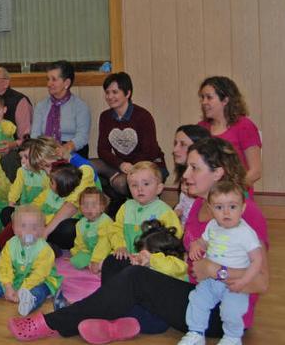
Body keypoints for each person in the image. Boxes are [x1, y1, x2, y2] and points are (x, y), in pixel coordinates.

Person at [7, 137, 269, 344]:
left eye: (194, 168)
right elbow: (179, 259)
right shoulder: (199, 207)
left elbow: (260, 281)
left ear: (218, 173)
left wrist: (215, 270)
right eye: (187, 166)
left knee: (135, 277)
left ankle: (53, 322)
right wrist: (149, 259)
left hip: (219, 313)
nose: (185, 174)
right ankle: (130, 321)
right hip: (190, 295)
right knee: (114, 262)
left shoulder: (244, 211)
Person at [180, 180, 263, 345]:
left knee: (231, 312)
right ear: (211, 209)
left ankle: (232, 337)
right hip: (210, 281)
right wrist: (196, 245)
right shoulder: (212, 225)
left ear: (243, 208)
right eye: (219, 207)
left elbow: (257, 260)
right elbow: (204, 241)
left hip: (233, 283)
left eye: (232, 207)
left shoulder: (246, 233)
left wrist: (244, 281)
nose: (226, 212)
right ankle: (196, 333)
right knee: (197, 300)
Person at [92, 72, 167, 214]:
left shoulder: (143, 116)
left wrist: (129, 167)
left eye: (115, 92)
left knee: (121, 182)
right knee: (89, 166)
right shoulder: (105, 117)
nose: (110, 96)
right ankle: (117, 201)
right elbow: (102, 150)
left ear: (127, 93)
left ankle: (129, 206)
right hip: (123, 164)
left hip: (149, 164)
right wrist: (121, 165)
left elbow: (148, 151)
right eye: (107, 92)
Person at [101, 161, 182, 280]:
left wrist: (151, 258)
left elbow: (173, 241)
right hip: (128, 256)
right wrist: (120, 246)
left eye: (146, 184)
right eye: (134, 185)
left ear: (159, 188)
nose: (140, 189)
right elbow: (116, 229)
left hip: (152, 264)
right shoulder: (126, 207)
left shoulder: (165, 211)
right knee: (111, 262)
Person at [197, 76, 262, 191]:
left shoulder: (244, 126)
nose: (204, 102)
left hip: (236, 194)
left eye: (209, 97)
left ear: (225, 100)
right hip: (207, 194)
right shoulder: (201, 128)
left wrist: (229, 191)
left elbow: (255, 172)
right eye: (202, 98)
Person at [31, 61, 91, 158]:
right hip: (45, 150)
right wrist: (45, 150)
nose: (49, 84)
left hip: (71, 151)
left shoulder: (80, 106)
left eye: (54, 79)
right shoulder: (41, 106)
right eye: (48, 79)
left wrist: (66, 148)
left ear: (66, 83)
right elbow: (34, 135)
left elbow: (82, 137)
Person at [69, 187, 114, 270]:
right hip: (90, 252)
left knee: (111, 260)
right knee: (75, 261)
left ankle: (97, 264)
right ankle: (91, 264)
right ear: (80, 208)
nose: (89, 209)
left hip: (106, 251)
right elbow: (80, 242)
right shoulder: (80, 224)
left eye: (94, 205)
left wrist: (96, 259)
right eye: (85, 205)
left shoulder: (105, 221)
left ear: (102, 207)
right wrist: (76, 253)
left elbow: (104, 243)